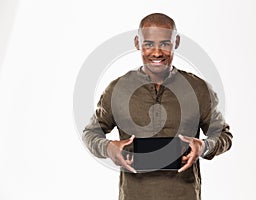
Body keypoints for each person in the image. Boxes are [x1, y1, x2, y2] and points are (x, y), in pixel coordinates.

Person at [82, 13, 233, 200]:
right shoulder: (117, 89)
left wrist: (204, 146)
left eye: (165, 44)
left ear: (176, 42)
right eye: (148, 44)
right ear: (137, 43)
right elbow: (90, 133)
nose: (156, 52)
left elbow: (223, 135)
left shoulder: (198, 89)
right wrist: (108, 148)